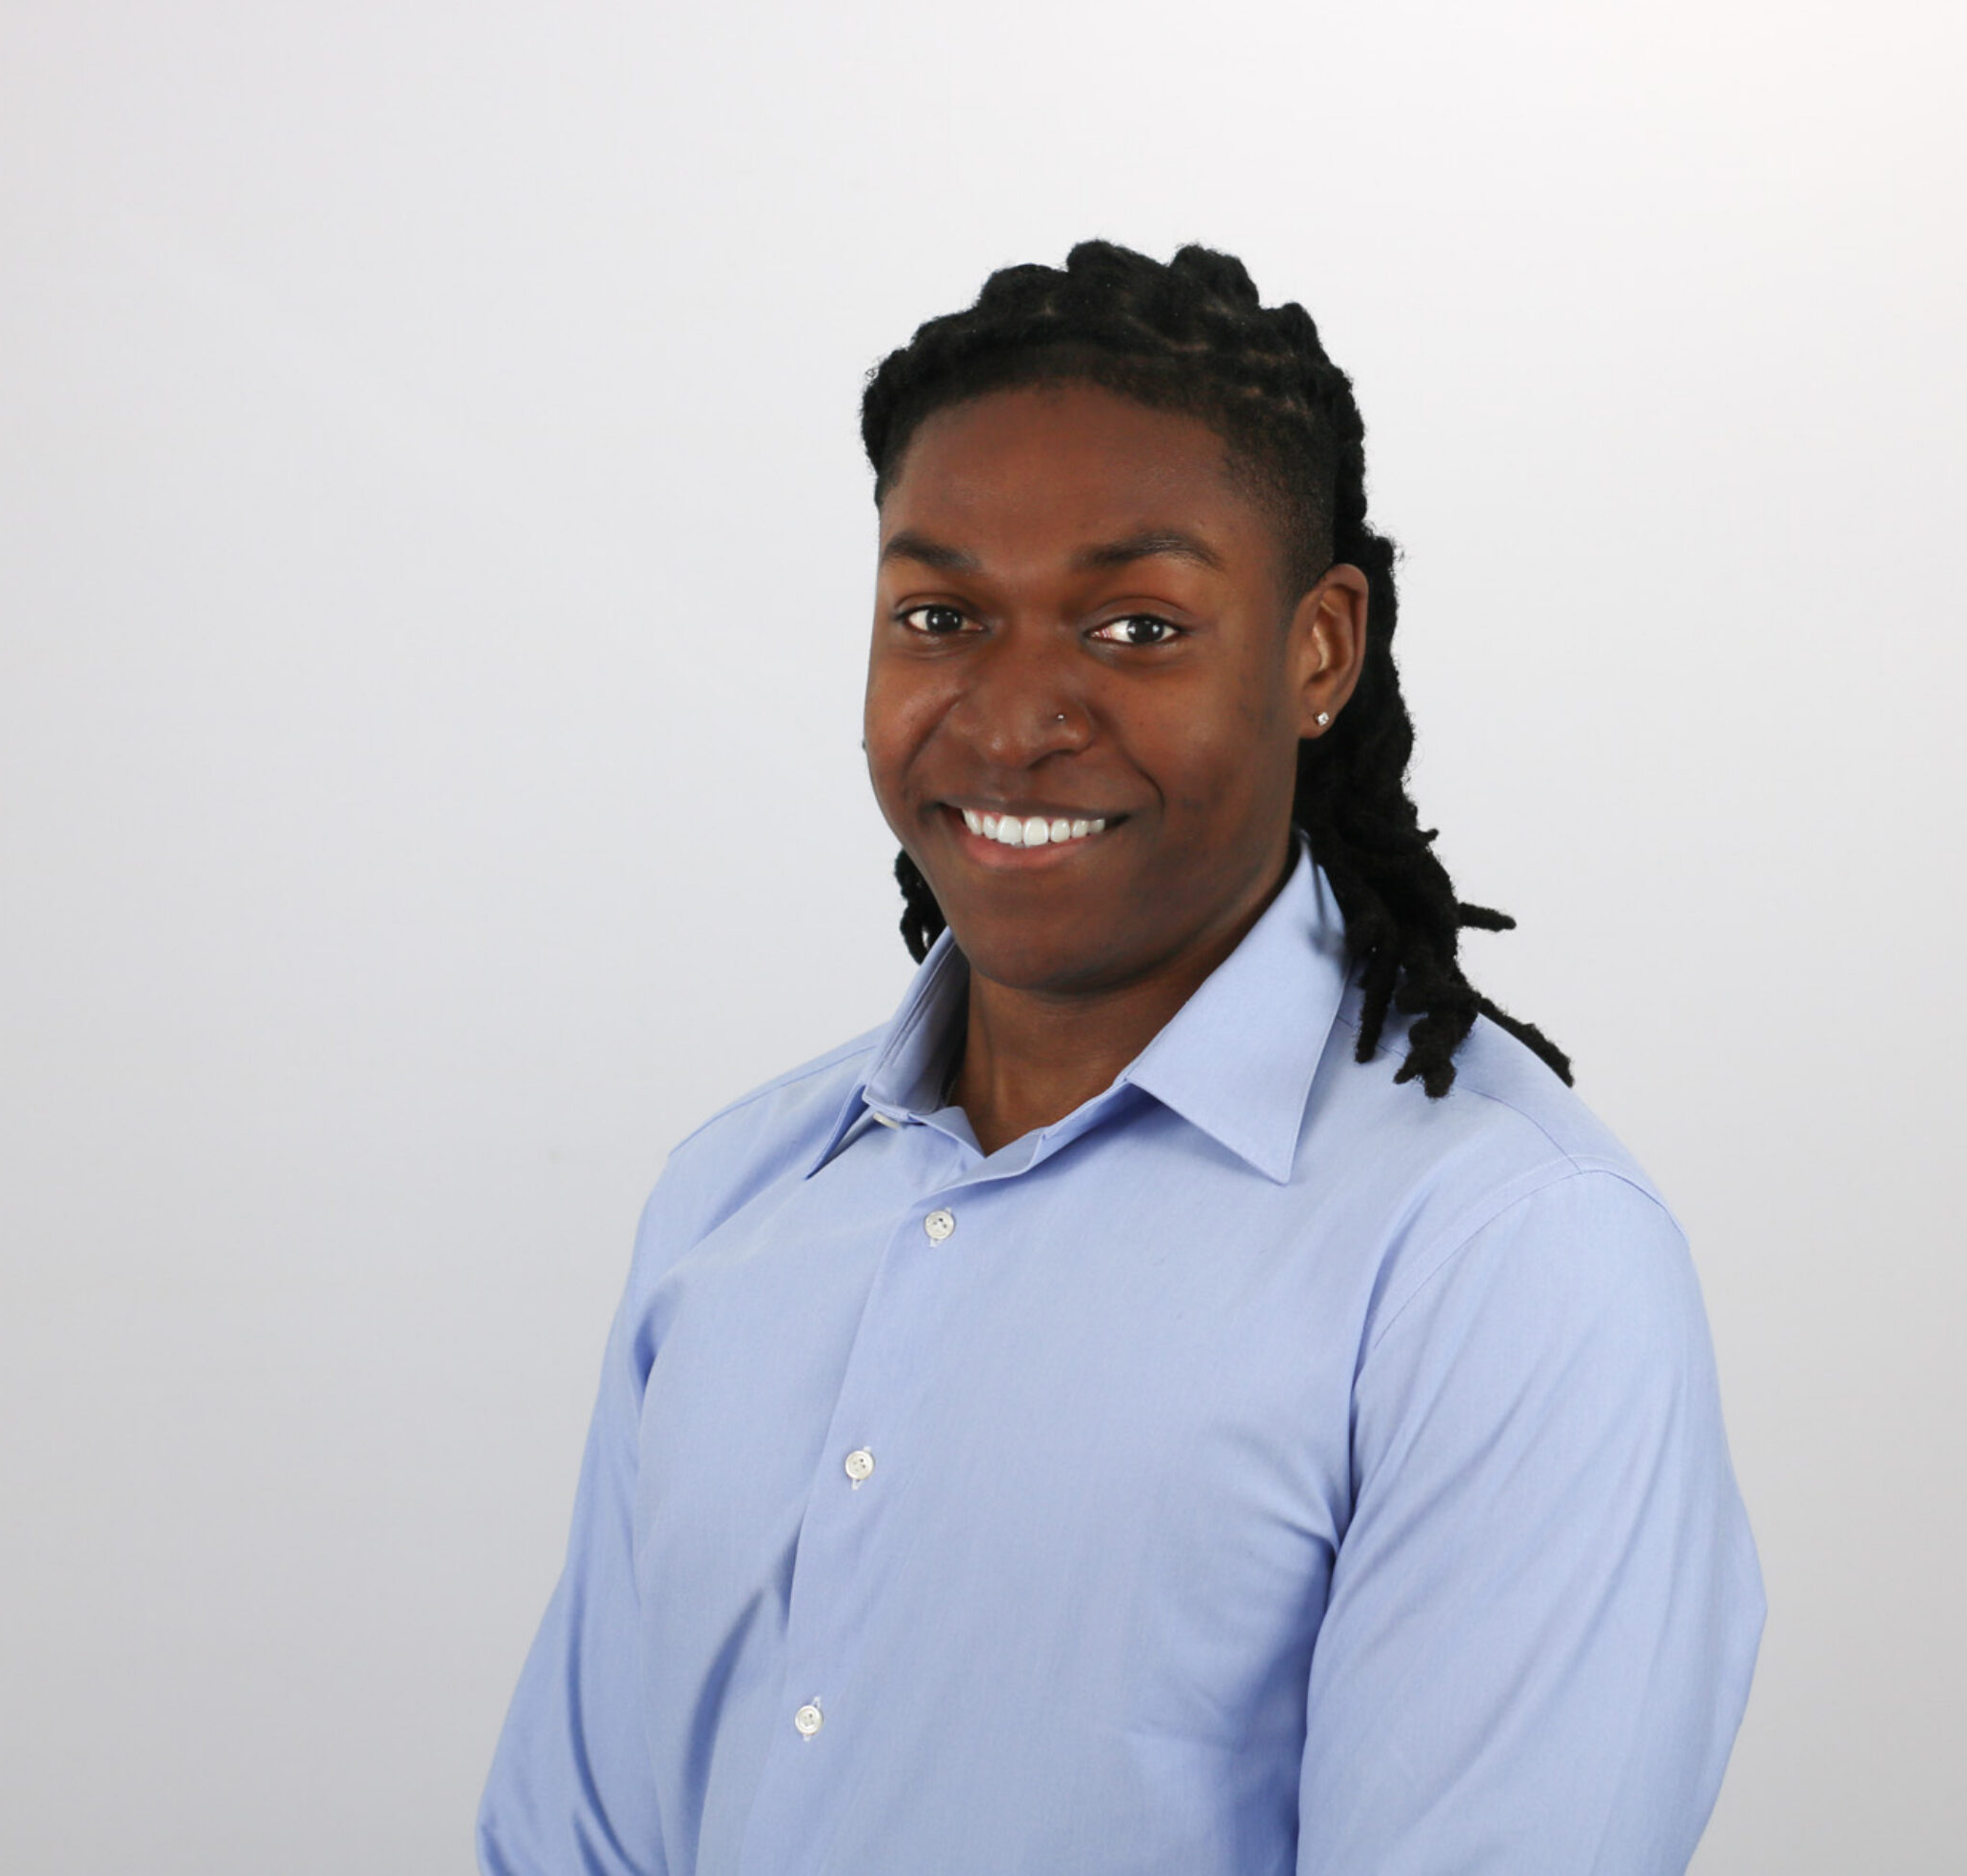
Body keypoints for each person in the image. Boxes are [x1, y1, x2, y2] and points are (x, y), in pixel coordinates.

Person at [478, 241, 1762, 1876]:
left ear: (1319, 650)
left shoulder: (1510, 1259)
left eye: (1137, 625)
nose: (1013, 718)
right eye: (940, 614)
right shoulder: (730, 1203)